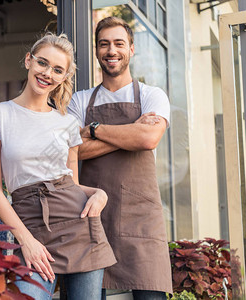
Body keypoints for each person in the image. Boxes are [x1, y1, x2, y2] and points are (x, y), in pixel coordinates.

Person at [0, 33, 116, 300]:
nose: (47, 74)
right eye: (42, 63)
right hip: (31, 227)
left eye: (57, 70)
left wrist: (99, 194)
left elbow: (73, 184)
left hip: (80, 227)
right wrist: (26, 241)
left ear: (64, 77)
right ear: (28, 61)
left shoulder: (66, 123)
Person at [68, 17, 173, 299]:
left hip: (141, 218)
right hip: (92, 214)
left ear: (131, 49)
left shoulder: (153, 95)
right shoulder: (80, 100)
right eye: (104, 44)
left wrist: (94, 130)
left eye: (118, 43)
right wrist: (131, 132)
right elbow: (73, 150)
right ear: (96, 51)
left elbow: (148, 139)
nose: (111, 51)